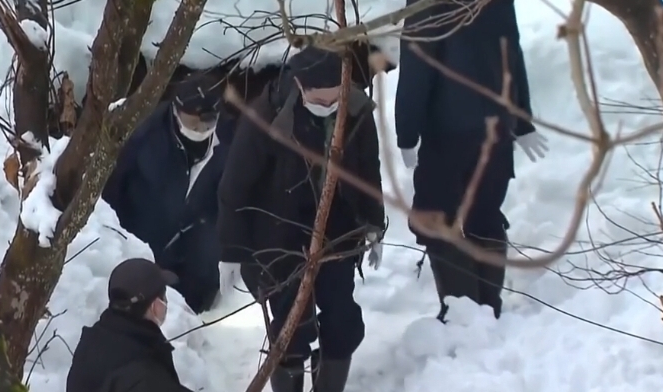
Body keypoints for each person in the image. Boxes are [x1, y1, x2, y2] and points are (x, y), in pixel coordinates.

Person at [217, 46, 386, 392]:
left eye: (334, 100)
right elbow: (235, 185)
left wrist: (372, 221)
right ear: (299, 85)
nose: (328, 107)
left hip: (337, 231)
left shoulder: (355, 110)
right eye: (319, 101)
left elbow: (367, 168)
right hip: (279, 234)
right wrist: (231, 250)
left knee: (341, 318)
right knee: (291, 324)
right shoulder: (268, 115)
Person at [395, 0, 548, 320]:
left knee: (436, 219)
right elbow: (512, 55)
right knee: (485, 214)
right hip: (497, 129)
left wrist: (407, 134)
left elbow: (416, 68)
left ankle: (465, 317)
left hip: (446, 134)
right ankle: (487, 309)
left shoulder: (426, 4)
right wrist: (521, 121)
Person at [102, 72, 232, 314]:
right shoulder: (144, 135)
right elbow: (111, 186)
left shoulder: (229, 141)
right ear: (176, 110)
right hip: (141, 237)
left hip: (195, 244)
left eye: (207, 123)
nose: (200, 129)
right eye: (193, 123)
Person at [66, 258, 192, 392]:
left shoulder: (94, 341)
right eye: (163, 296)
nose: (166, 302)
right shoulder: (144, 375)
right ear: (155, 305)